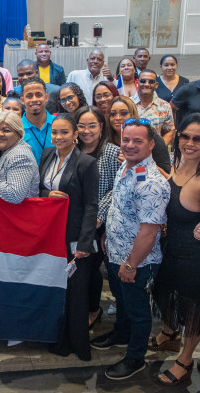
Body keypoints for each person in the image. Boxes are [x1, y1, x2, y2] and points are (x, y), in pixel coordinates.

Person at [150, 114, 200, 386]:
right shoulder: (179, 162)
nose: (189, 143)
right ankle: (170, 334)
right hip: (171, 247)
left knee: (192, 308)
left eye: (198, 138)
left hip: (198, 254)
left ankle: (185, 359)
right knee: (163, 292)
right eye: (184, 136)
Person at [90, 118, 170, 380]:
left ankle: (135, 357)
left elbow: (149, 231)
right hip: (116, 250)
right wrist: (109, 235)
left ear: (151, 144)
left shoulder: (152, 183)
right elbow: (119, 206)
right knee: (121, 299)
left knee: (137, 310)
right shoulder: (125, 166)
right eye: (126, 139)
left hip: (137, 261)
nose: (130, 145)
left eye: (138, 141)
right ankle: (121, 334)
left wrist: (131, 264)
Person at [40, 114, 98, 361]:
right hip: (50, 234)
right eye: (54, 132)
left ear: (75, 134)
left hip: (75, 236)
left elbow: (91, 205)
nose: (58, 137)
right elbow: (37, 188)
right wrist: (47, 194)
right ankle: (56, 338)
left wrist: (84, 243)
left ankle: (77, 344)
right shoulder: (46, 155)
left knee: (76, 291)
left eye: (64, 132)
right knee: (56, 288)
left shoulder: (86, 163)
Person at [75, 106, 121, 329]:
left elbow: (117, 188)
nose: (86, 131)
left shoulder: (113, 152)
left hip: (99, 223)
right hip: (75, 219)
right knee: (77, 268)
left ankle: (93, 309)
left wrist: (97, 216)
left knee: (91, 269)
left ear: (101, 127)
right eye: (81, 126)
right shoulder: (72, 150)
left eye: (92, 125)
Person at [0, 111, 39, 204]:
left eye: (6, 130)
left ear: (19, 134)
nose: (0, 134)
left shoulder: (20, 156)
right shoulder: (8, 150)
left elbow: (14, 196)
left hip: (20, 212)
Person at [106, 96, 171, 174]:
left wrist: (137, 164)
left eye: (123, 113)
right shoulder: (106, 140)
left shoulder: (152, 138)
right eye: (113, 114)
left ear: (132, 114)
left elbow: (167, 175)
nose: (118, 117)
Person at [20, 78, 55, 165]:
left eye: (39, 95)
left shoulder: (59, 123)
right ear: (22, 100)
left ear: (46, 97)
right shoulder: (16, 128)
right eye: (29, 96)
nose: (34, 99)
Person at [135, 69, 174, 145]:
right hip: (132, 149)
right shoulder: (128, 104)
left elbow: (170, 131)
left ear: (156, 85)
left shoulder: (165, 106)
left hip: (156, 150)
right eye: (143, 81)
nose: (147, 84)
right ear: (137, 83)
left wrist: (159, 147)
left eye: (151, 82)